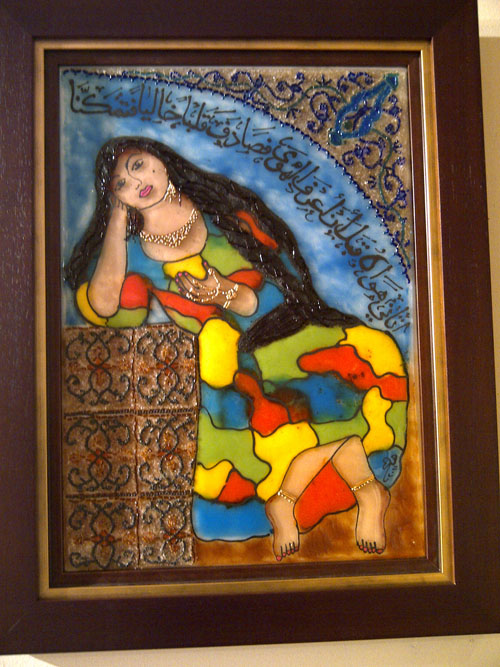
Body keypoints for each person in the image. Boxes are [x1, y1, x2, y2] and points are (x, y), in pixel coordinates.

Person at [65, 136, 407, 562]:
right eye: (120, 184)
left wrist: (224, 293)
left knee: (349, 372)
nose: (136, 182)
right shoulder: (135, 251)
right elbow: (104, 307)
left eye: (137, 165)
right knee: (282, 404)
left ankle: (291, 498)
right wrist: (117, 220)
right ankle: (364, 491)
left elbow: (283, 290)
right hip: (226, 362)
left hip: (283, 330)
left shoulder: (225, 213)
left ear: (160, 158)